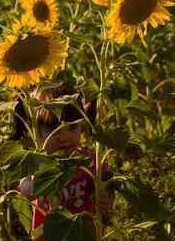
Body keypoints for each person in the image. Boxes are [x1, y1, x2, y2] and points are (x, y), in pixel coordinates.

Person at [17, 82, 114, 241]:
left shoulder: (88, 160)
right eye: (53, 129)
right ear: (36, 129)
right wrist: (38, 184)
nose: (64, 137)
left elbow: (106, 182)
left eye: (72, 128)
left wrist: (105, 198)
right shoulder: (37, 162)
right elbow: (25, 190)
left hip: (85, 233)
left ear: (81, 126)